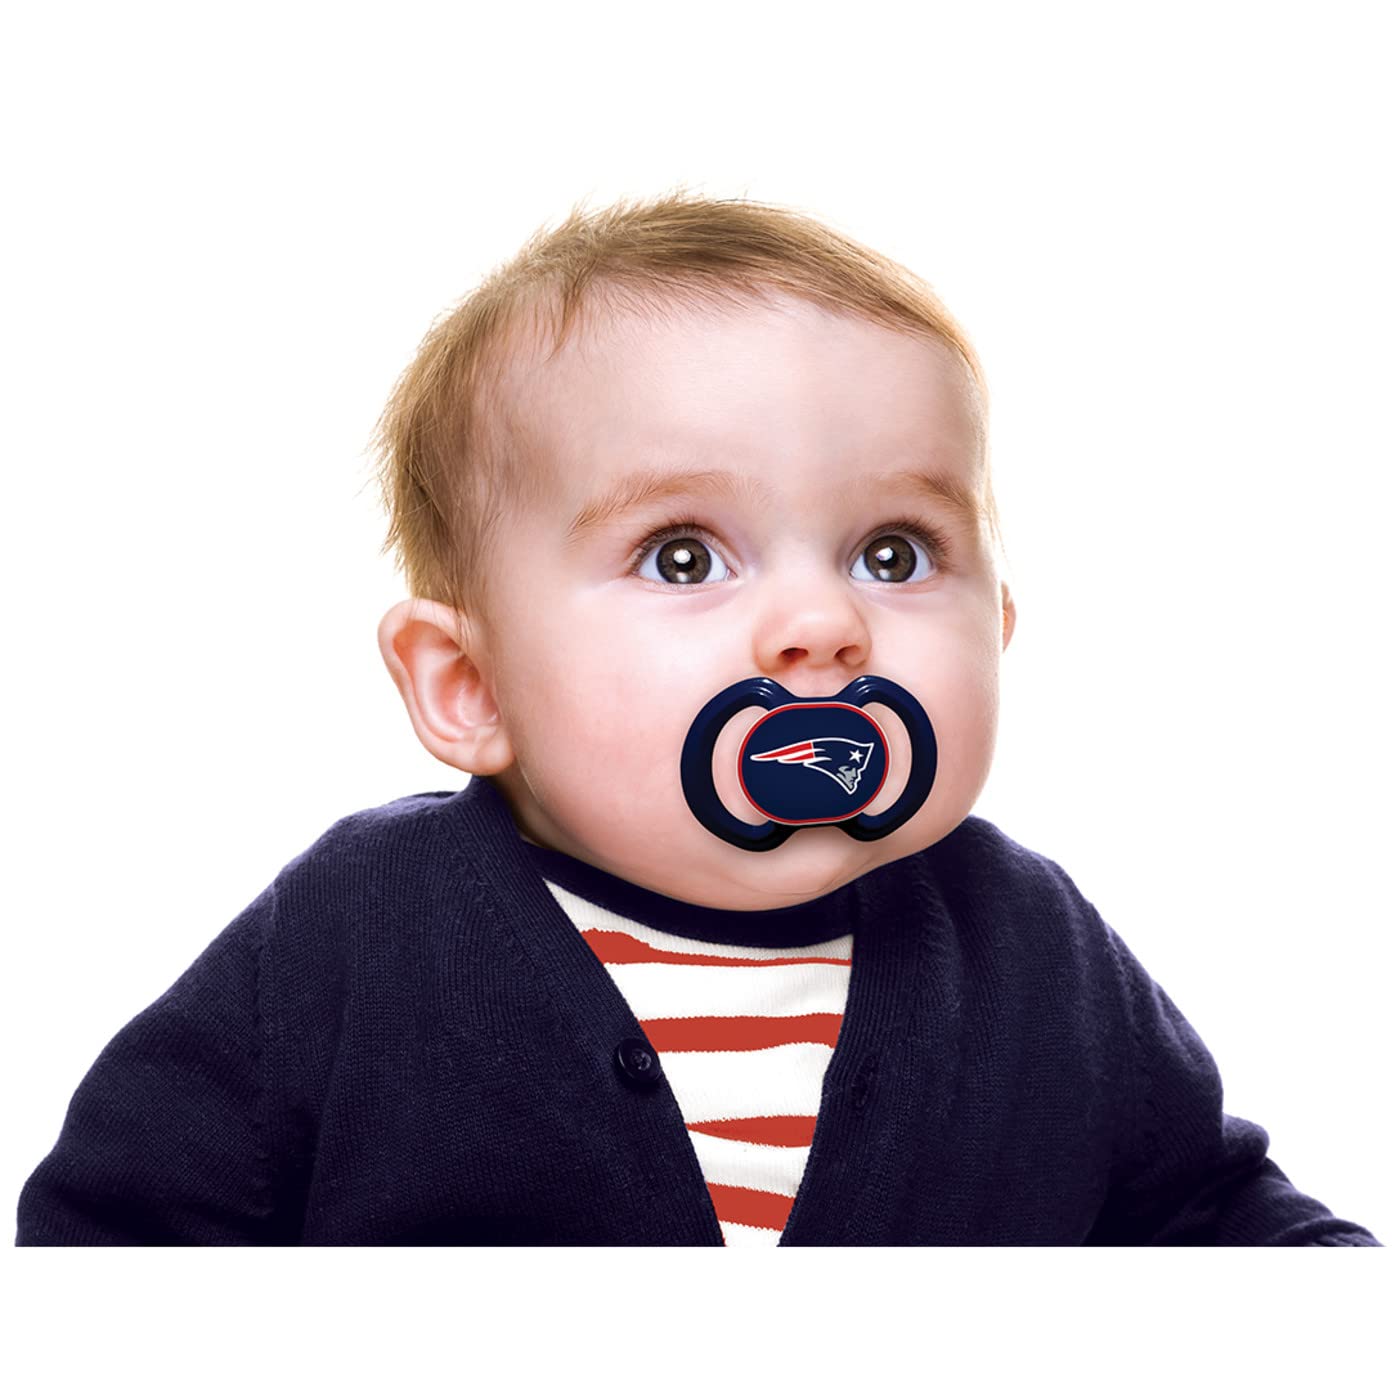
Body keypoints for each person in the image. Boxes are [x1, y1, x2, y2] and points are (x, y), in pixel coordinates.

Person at [15, 190, 1381, 1246]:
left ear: (1000, 630)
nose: (823, 623)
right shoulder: (355, 935)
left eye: (895, 553)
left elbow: (1211, 1224)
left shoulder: (1030, 945)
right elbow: (109, 1253)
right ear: (469, 687)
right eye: (683, 556)